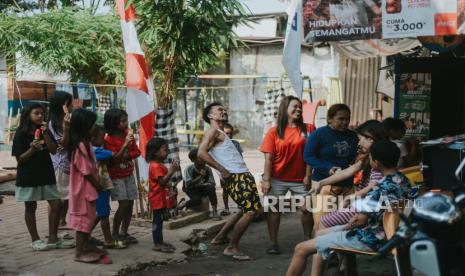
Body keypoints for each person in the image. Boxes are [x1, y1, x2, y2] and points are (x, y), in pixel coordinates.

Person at [286, 140, 412, 276]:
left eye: (370, 157)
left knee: (301, 248)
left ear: (377, 163)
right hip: (395, 237)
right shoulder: (404, 181)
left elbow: (360, 222)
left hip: (371, 239)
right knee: (322, 233)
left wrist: (346, 226)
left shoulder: (378, 189)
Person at [198, 102, 261, 261]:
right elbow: (201, 153)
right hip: (237, 176)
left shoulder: (219, 132)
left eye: (224, 110)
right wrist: (221, 169)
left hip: (241, 175)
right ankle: (232, 247)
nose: (224, 111)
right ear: (210, 116)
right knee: (250, 212)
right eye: (219, 110)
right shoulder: (213, 132)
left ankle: (220, 236)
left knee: (245, 209)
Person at [12, 103, 73, 251]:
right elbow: (20, 159)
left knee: (56, 204)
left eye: (42, 113)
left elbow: (53, 151)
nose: (41, 116)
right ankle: (35, 240)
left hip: (46, 173)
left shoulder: (45, 130)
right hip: (29, 176)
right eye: (37, 113)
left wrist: (46, 134)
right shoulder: (21, 133)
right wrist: (33, 148)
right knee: (31, 207)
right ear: (28, 115)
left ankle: (53, 238)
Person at [260, 96, 316, 255]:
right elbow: (269, 158)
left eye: (300, 107)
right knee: (274, 209)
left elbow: (310, 155)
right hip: (277, 179)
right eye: (295, 107)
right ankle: (273, 242)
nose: (298, 110)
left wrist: (308, 175)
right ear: (285, 109)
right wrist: (266, 180)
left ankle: (307, 240)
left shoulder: (309, 129)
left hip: (301, 179)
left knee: (306, 209)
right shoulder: (274, 132)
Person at [310, 120, 388, 230]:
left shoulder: (378, 162)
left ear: (370, 139)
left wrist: (351, 197)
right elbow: (348, 171)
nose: (359, 143)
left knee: (321, 225)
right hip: (360, 205)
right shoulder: (369, 157)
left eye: (361, 139)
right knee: (321, 225)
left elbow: (373, 186)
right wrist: (321, 182)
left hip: (364, 208)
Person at [304, 104, 358, 229]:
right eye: (341, 119)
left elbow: (355, 158)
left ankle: (338, 249)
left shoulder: (352, 136)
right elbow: (308, 156)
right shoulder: (318, 134)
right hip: (324, 186)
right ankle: (318, 248)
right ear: (329, 119)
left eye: (347, 119)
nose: (345, 122)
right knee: (321, 224)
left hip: (347, 187)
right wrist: (328, 168)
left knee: (346, 225)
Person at [67, 109, 109, 263]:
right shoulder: (80, 146)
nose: (95, 127)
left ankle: (85, 246)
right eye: (92, 124)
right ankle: (79, 253)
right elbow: (86, 171)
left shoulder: (85, 144)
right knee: (83, 221)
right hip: (83, 189)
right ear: (84, 126)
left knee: (88, 218)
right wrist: (98, 185)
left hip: (87, 189)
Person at [104, 108, 141, 244]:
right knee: (123, 204)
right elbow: (114, 160)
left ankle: (124, 232)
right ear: (114, 123)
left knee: (130, 203)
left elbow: (137, 152)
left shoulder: (127, 134)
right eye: (123, 121)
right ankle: (114, 233)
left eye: (126, 120)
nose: (126, 123)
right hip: (116, 176)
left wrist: (126, 154)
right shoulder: (109, 139)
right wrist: (125, 146)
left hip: (128, 174)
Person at [90, 125, 127, 249]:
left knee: (100, 213)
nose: (104, 140)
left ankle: (86, 235)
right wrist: (125, 144)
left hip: (96, 186)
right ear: (93, 138)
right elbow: (115, 156)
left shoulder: (89, 149)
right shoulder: (96, 150)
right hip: (101, 186)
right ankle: (108, 240)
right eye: (102, 138)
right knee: (104, 214)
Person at [146, 137, 179, 253]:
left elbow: (164, 182)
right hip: (157, 199)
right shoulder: (155, 166)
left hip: (160, 198)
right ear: (155, 152)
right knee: (157, 221)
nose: (167, 152)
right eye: (165, 149)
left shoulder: (158, 165)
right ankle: (157, 243)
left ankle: (159, 242)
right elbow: (162, 182)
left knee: (159, 221)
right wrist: (172, 171)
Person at [48, 91, 73, 228]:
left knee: (68, 196)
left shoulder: (69, 118)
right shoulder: (53, 123)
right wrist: (67, 128)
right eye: (69, 103)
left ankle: (63, 220)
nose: (72, 106)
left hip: (70, 163)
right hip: (60, 163)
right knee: (58, 198)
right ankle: (54, 223)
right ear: (63, 105)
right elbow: (62, 146)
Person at [180, 148, 221, 220]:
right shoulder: (189, 169)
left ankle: (215, 212)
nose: (204, 159)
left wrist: (207, 184)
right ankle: (184, 203)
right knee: (197, 200)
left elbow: (212, 183)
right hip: (190, 189)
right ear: (193, 160)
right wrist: (200, 176)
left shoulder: (208, 169)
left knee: (211, 188)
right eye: (200, 158)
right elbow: (188, 184)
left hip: (202, 188)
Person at [220, 123, 242, 216]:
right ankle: (226, 208)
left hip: (236, 170)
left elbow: (240, 156)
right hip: (224, 171)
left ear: (232, 134)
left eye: (229, 133)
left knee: (238, 188)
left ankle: (240, 205)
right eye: (226, 133)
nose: (228, 135)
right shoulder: (219, 145)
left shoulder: (236, 144)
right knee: (225, 190)